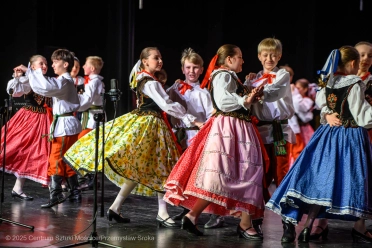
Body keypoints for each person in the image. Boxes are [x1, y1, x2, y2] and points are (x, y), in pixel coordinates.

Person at [63, 47, 201, 227]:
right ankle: (161, 212)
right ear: (145, 61)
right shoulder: (149, 81)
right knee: (162, 166)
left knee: (143, 168)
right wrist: (192, 120)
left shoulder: (146, 78)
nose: (160, 61)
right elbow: (166, 104)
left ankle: (116, 207)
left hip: (150, 123)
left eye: (160, 58)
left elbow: (162, 99)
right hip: (150, 125)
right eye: (155, 58)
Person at [266, 46, 372, 243]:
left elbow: (322, 103)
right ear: (352, 64)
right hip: (349, 135)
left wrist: (327, 114)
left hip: (326, 135)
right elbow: (362, 116)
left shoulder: (329, 82)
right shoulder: (355, 84)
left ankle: (308, 226)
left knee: (321, 180)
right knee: (350, 178)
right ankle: (317, 226)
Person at [163, 44, 265, 240]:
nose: (243, 61)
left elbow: (232, 98)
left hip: (236, 126)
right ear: (229, 60)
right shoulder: (223, 75)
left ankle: (199, 216)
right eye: (240, 57)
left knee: (240, 172)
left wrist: (250, 93)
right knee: (234, 172)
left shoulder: (230, 77)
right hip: (230, 127)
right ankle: (240, 223)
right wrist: (245, 99)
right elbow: (224, 101)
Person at [308, 41, 372, 241]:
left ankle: (359, 224)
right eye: (362, 55)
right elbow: (323, 103)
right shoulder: (348, 81)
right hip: (348, 132)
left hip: (359, 132)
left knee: (359, 177)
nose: (366, 59)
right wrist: (327, 115)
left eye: (370, 56)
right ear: (353, 61)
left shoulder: (336, 80)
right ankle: (321, 222)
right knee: (335, 173)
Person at [14, 48, 83, 208]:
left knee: (56, 159)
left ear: (65, 64)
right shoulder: (64, 81)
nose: (52, 65)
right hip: (66, 124)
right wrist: (30, 71)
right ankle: (74, 191)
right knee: (67, 159)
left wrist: (34, 70)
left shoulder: (64, 81)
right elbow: (44, 86)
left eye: (55, 62)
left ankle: (56, 195)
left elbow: (45, 86)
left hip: (65, 125)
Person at [244, 37, 295, 240]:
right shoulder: (252, 79)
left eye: (273, 55)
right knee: (260, 179)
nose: (269, 58)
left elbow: (273, 93)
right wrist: (249, 87)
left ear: (279, 56)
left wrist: (256, 91)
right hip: (260, 133)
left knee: (281, 176)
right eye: (265, 55)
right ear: (258, 56)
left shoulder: (282, 75)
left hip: (280, 133)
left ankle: (288, 224)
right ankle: (256, 221)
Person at [166, 48, 223, 228]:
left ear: (201, 69)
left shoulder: (204, 93)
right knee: (185, 175)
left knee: (204, 176)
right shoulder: (175, 88)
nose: (191, 71)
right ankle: (186, 207)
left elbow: (210, 118)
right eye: (188, 67)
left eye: (195, 67)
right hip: (180, 135)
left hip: (197, 136)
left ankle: (216, 214)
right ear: (182, 69)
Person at [0, 55, 52, 201]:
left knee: (40, 153)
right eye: (41, 63)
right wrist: (18, 77)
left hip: (45, 120)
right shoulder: (28, 80)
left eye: (46, 63)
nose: (44, 65)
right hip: (29, 119)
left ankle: (19, 188)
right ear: (32, 66)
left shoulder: (47, 81)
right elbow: (14, 92)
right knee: (22, 149)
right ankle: (54, 190)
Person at [74, 56, 105, 191]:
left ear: (92, 68)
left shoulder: (94, 82)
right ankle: (89, 177)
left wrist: (74, 106)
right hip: (91, 116)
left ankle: (90, 178)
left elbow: (87, 100)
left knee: (86, 145)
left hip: (92, 118)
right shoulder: (94, 81)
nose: (83, 67)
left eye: (85, 65)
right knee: (88, 146)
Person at [288, 78, 314, 167]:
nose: (296, 90)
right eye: (296, 88)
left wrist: (294, 94)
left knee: (305, 149)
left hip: (304, 129)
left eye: (299, 88)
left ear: (305, 89)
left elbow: (298, 107)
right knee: (294, 150)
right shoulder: (295, 97)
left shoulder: (307, 100)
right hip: (295, 128)